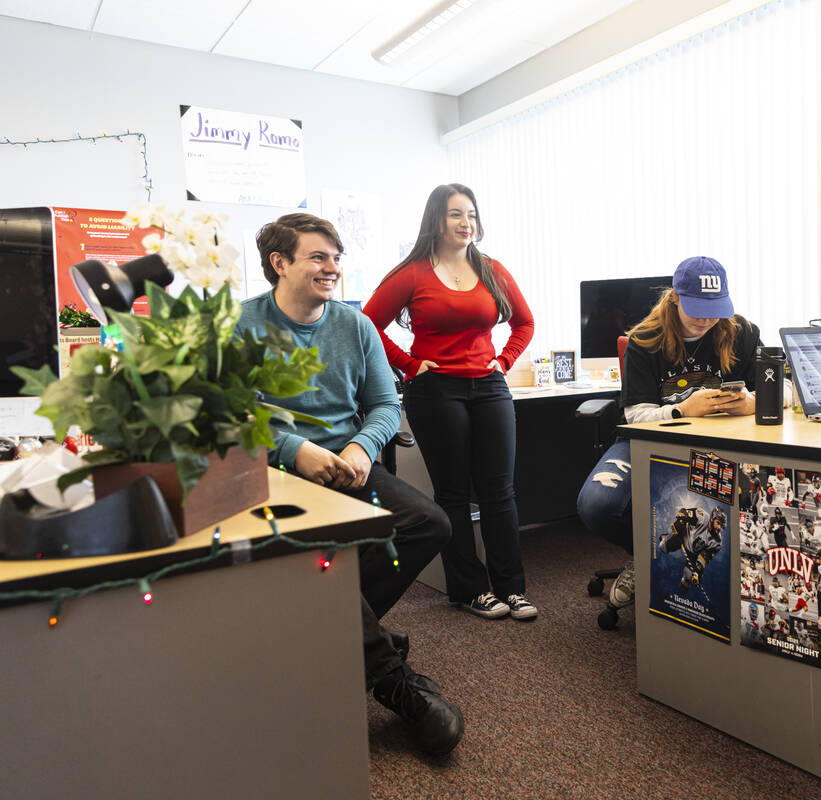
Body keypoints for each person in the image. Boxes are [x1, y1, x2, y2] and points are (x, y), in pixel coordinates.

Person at [236, 213, 463, 754]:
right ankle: (393, 678)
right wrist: (295, 450)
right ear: (279, 263)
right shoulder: (240, 327)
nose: (332, 268)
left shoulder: (355, 325)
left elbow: (386, 405)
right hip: (276, 476)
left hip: (349, 466)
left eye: (336, 258)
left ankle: (318, 629)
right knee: (309, 554)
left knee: (429, 524)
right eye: (318, 257)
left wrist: (362, 447)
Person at [363, 184, 537, 621]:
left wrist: (503, 361)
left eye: (472, 215)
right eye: (456, 214)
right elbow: (367, 324)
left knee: (500, 491)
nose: (466, 224)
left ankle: (512, 589)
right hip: (436, 391)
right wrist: (408, 363)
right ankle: (470, 589)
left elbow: (525, 322)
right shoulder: (413, 273)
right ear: (436, 220)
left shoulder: (491, 268)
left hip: (489, 386)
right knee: (453, 494)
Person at [576, 256, 761, 612]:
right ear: (675, 297)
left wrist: (753, 402)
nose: (708, 320)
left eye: (715, 309)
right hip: (649, 439)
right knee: (595, 505)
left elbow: (785, 386)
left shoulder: (741, 331)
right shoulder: (645, 340)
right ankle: (644, 556)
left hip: (724, 439)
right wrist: (682, 409)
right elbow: (635, 414)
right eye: (697, 310)